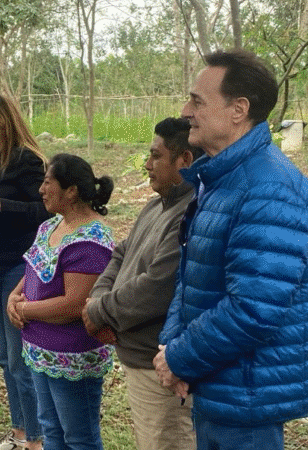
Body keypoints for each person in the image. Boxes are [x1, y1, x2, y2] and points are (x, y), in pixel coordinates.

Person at [153, 49, 308, 449]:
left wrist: (180, 358)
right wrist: (173, 347)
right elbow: (193, 276)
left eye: (197, 101)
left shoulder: (268, 188)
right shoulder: (222, 179)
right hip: (221, 383)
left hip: (248, 396)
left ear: (239, 110)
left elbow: (254, 309)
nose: (186, 111)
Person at [82, 118, 202, 450]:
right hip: (140, 361)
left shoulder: (190, 214)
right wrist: (97, 301)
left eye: (156, 156)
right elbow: (121, 253)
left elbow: (157, 287)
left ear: (185, 160)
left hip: (160, 368)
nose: (147, 165)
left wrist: (99, 310)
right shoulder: (155, 206)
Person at [7, 153, 115, 450]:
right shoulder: (52, 225)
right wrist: (14, 296)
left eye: (47, 182)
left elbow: (74, 305)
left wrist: (23, 308)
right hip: (40, 351)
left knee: (79, 438)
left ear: (71, 191)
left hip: (72, 356)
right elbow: (33, 267)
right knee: (52, 431)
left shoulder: (91, 240)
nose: (41, 190)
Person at [0, 94, 48, 450]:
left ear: (3, 120)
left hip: (20, 266)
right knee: (4, 357)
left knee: (19, 359)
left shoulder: (26, 160)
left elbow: (45, 210)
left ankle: (36, 439)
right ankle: (18, 433)